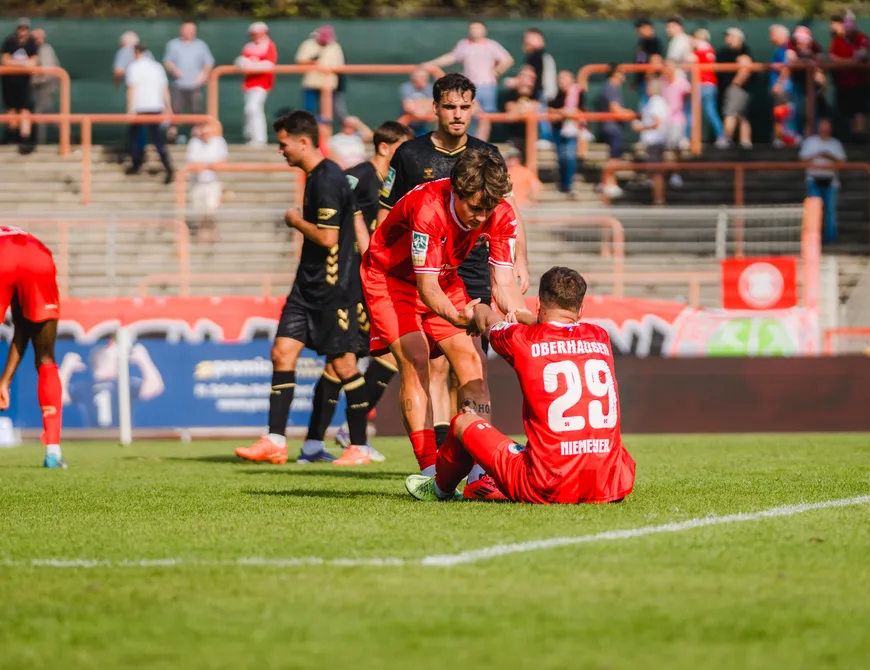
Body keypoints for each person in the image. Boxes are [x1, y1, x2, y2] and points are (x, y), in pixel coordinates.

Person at [376, 72, 530, 499]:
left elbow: (505, 285)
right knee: (419, 359)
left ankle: (480, 468)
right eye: (450, 106)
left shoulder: (493, 190)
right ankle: (432, 471)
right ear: (436, 107)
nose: (458, 114)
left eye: (465, 106)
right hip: (395, 274)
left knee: (469, 361)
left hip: (453, 268)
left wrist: (530, 318)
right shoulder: (419, 180)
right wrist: (468, 315)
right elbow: (425, 287)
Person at [405, 266, 636, 504]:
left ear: (538, 305)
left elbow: (487, 322)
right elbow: (557, 330)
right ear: (581, 309)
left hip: (549, 485)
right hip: (611, 483)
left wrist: (480, 308)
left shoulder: (521, 339)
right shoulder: (600, 336)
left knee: (464, 421)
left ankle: (439, 489)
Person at [234, 111, 370, 466]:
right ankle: (275, 440)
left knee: (343, 367)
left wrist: (295, 220)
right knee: (281, 353)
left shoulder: (327, 179)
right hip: (305, 289)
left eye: (283, 144)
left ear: (303, 141)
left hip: (331, 291)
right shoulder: (318, 177)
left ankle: (359, 446)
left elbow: (327, 237)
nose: (281, 151)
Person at [315, 121, 417, 462]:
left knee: (385, 356)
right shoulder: (356, 177)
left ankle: (336, 435)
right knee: (340, 362)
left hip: (378, 279)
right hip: (352, 280)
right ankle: (317, 442)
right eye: (403, 148)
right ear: (385, 147)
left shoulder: (398, 182)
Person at [0, 226, 65, 468]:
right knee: (46, 357)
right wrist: (4, 381)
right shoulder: (21, 238)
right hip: (37, 256)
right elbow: (23, 328)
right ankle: (53, 452)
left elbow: (21, 329)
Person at [423, 21, 514, 142]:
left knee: (485, 116)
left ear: (484, 31)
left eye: (477, 28)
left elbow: (507, 60)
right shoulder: (464, 45)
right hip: (469, 87)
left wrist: (496, 72)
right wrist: (431, 64)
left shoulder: (492, 45)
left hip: (487, 86)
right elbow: (451, 57)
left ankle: (481, 145)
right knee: (468, 114)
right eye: (472, 28)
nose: (474, 31)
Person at [125, 44, 173, 183]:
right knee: (157, 138)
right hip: (156, 106)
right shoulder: (157, 67)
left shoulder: (134, 67)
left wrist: (130, 108)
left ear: (136, 53)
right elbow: (164, 88)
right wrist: (167, 107)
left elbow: (132, 88)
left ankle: (137, 162)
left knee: (135, 135)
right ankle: (167, 166)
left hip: (140, 106)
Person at [799, 118, 846, 243]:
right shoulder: (810, 143)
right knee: (813, 211)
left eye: (827, 127)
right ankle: (813, 238)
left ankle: (831, 237)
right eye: (822, 127)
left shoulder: (836, 144)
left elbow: (842, 163)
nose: (825, 130)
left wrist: (828, 156)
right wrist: (817, 156)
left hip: (831, 182)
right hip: (813, 180)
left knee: (830, 211)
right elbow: (803, 161)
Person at [185, 120, 228, 243]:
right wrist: (208, 165)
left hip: (212, 182)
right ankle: (202, 235)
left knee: (211, 210)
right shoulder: (194, 143)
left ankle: (212, 234)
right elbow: (192, 162)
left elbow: (222, 161)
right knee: (199, 210)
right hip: (197, 182)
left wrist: (205, 166)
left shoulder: (218, 142)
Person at [236, 22, 277, 147]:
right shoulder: (248, 46)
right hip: (249, 83)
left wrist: (251, 65)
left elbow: (269, 65)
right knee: (248, 110)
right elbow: (241, 62)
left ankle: (259, 139)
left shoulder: (269, 45)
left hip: (262, 84)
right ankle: (250, 136)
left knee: (254, 108)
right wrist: (246, 64)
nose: (256, 36)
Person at [163, 21, 214, 117]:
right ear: (181, 30)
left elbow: (208, 62)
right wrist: (174, 70)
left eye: (192, 30)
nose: (189, 32)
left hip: (195, 86)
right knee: (175, 113)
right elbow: (167, 61)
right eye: (187, 29)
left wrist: (203, 75)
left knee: (197, 113)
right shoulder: (173, 45)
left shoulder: (201, 45)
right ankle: (173, 130)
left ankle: (197, 131)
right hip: (178, 85)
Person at [1, 17, 38, 152]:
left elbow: (33, 63)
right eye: (20, 28)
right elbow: (5, 60)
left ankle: (24, 140)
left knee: (25, 110)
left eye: (25, 28)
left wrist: (15, 63)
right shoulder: (9, 41)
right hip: (9, 83)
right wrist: (24, 64)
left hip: (25, 84)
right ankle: (11, 137)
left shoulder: (31, 43)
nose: (23, 31)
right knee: (11, 110)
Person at [295, 25, 345, 122]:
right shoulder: (308, 44)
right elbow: (300, 61)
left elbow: (340, 66)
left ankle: (325, 134)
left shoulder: (335, 47)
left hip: (329, 86)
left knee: (326, 115)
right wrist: (311, 62)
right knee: (308, 112)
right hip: (311, 83)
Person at [548, 69, 585, 197]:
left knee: (569, 157)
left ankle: (568, 184)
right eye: (560, 79)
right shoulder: (557, 95)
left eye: (564, 78)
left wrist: (563, 113)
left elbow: (580, 112)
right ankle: (563, 183)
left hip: (572, 130)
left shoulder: (578, 94)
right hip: (559, 130)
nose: (561, 81)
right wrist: (562, 113)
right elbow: (551, 111)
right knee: (561, 158)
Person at [632, 78, 669, 205]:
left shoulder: (656, 102)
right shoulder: (655, 102)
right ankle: (657, 198)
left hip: (655, 140)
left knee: (655, 171)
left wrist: (640, 127)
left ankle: (658, 199)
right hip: (655, 140)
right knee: (654, 171)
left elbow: (656, 122)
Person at [717, 27, 754, 149]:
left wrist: (735, 83)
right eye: (727, 36)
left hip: (737, 89)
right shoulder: (728, 52)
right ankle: (745, 141)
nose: (727, 39)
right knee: (741, 115)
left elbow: (745, 68)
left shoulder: (742, 51)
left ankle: (726, 139)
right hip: (738, 89)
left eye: (730, 36)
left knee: (731, 113)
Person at [689, 29, 726, 148]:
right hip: (711, 84)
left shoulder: (698, 51)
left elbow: (691, 62)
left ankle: (688, 139)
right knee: (711, 112)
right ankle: (721, 137)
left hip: (701, 84)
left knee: (691, 112)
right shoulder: (710, 50)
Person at [31, 28, 60, 147]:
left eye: (39, 38)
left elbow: (47, 72)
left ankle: (40, 142)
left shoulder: (45, 50)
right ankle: (69, 135)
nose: (37, 40)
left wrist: (36, 81)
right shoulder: (36, 50)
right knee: (47, 113)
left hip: (46, 85)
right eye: (35, 38)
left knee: (40, 113)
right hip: (42, 86)